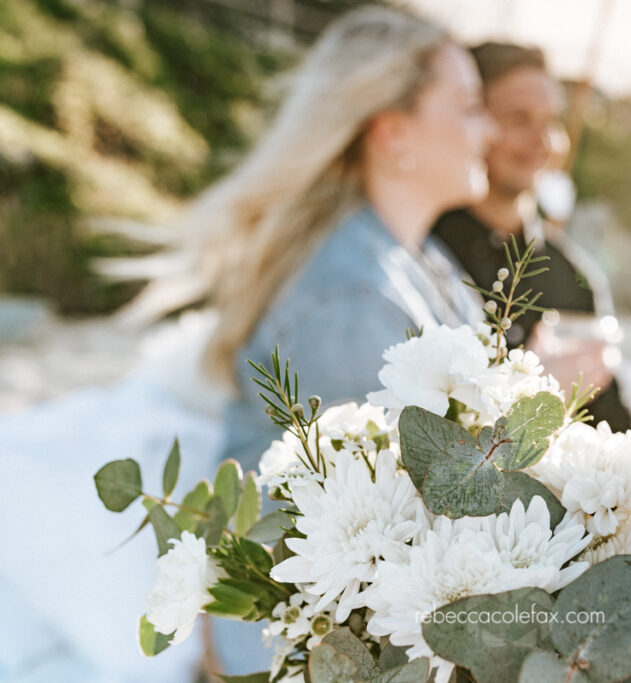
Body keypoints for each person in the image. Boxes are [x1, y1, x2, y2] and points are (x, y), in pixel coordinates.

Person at [0, 5, 495, 679]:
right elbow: (395, 522)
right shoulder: (349, 299)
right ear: (392, 131)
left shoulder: (412, 256)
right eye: (468, 106)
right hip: (299, 655)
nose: (485, 129)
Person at [431, 42, 631, 432]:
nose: (544, 141)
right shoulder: (422, 251)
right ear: (473, 119)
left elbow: (609, 427)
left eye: (551, 121)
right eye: (520, 119)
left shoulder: (574, 275)